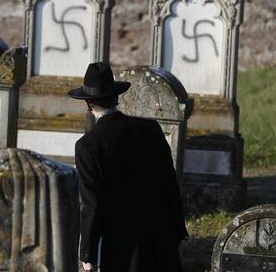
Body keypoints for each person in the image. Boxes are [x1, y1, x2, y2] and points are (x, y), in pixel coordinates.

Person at [68, 62, 188, 272]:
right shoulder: (150, 129)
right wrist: (178, 230)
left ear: (88, 104)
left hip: (122, 246)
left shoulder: (87, 146)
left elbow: (92, 204)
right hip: (161, 235)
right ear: (116, 97)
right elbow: (169, 181)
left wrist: (87, 253)